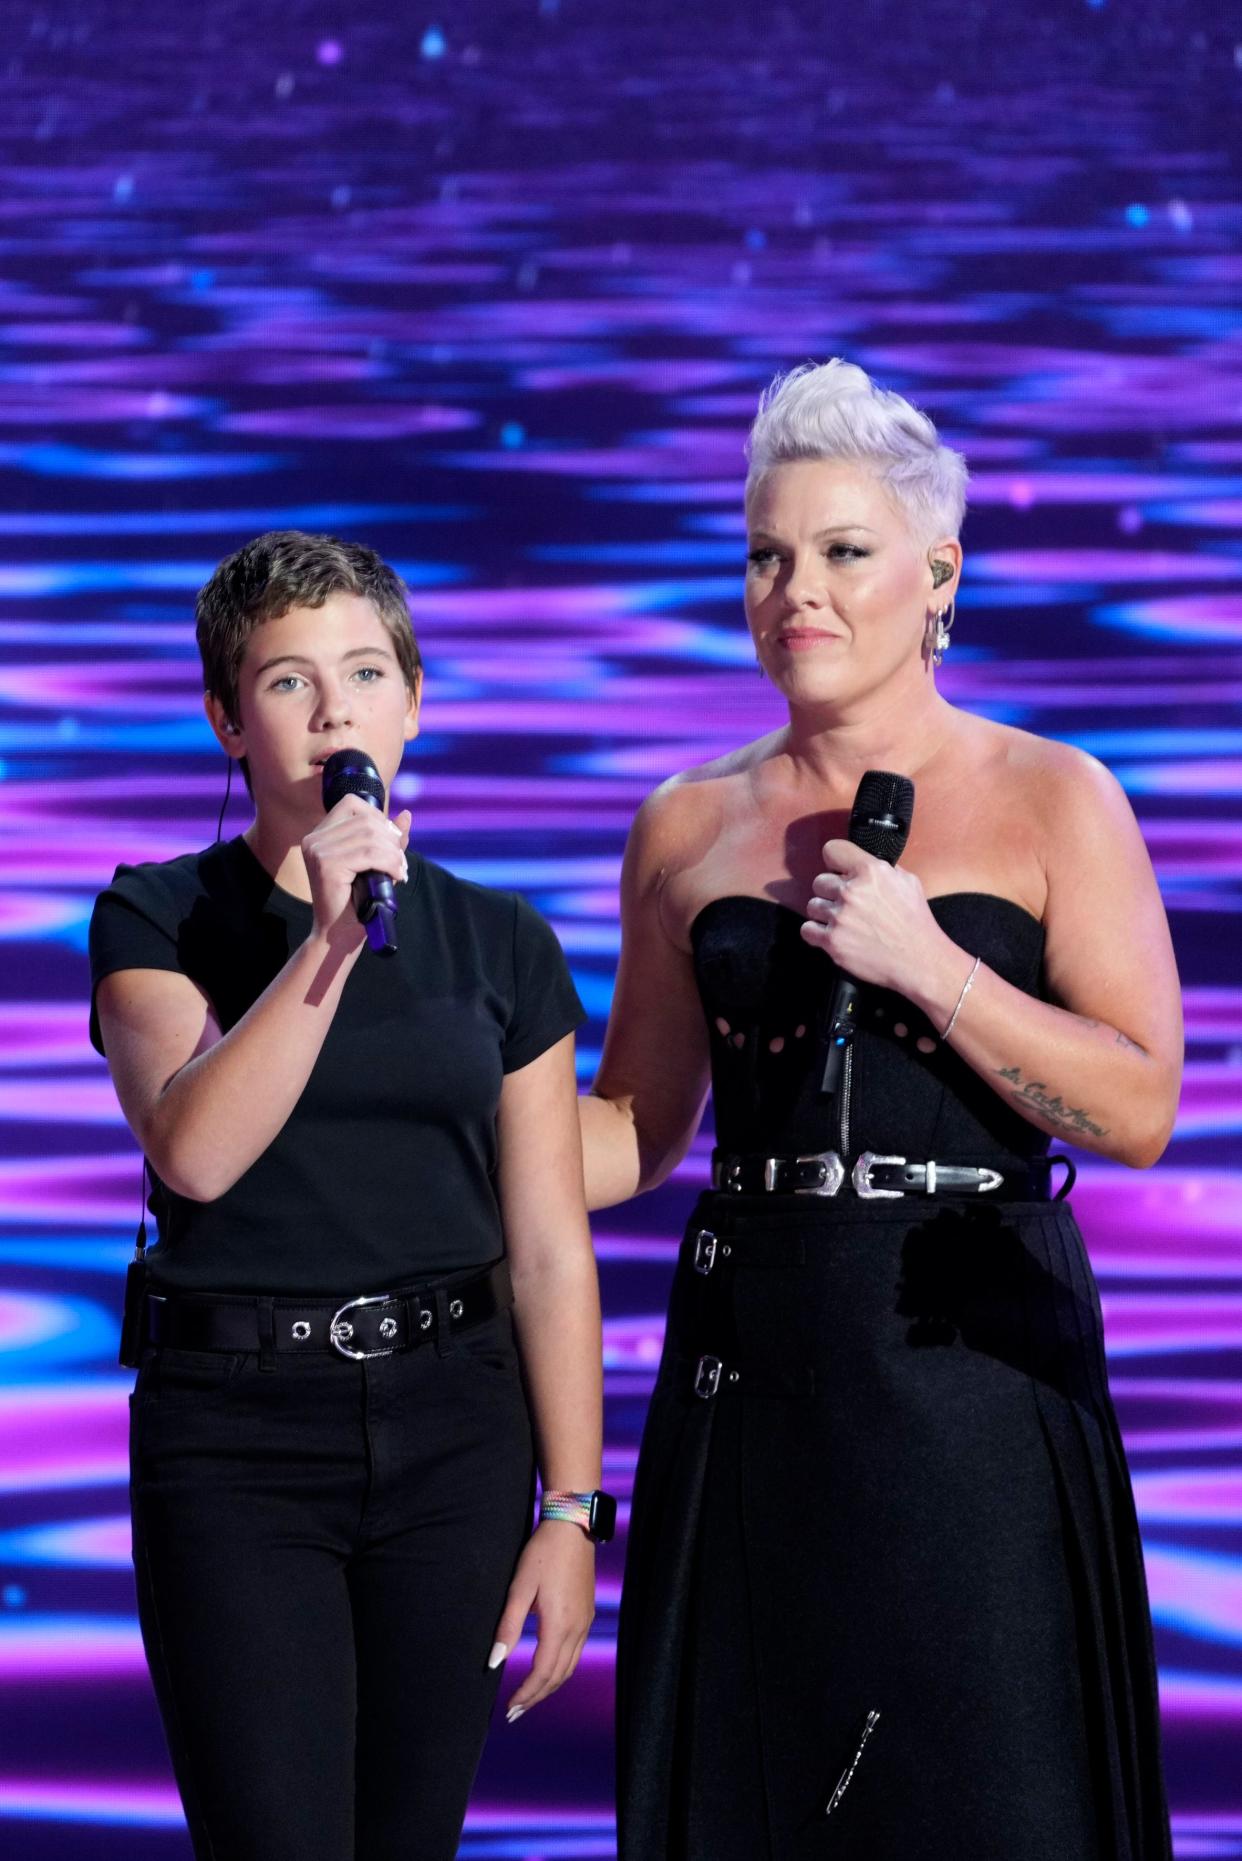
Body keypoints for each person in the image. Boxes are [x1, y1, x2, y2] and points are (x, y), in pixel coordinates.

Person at [580, 363, 1181, 1860]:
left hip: (969, 1370)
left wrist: (932, 967)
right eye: (768, 556)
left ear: (936, 574)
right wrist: (422, 1100)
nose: (799, 591)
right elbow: (631, 1133)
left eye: (843, 552)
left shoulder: (1055, 796)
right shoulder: (684, 820)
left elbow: (1139, 1110)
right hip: (755, 1366)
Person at [89, 531, 614, 1861]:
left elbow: (548, 1248)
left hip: (455, 1430)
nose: (336, 711)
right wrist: (328, 937)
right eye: (288, 680)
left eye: (367, 671)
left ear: (414, 700)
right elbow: (193, 1152)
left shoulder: (501, 939)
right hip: (239, 1445)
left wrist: (569, 1507)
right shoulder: (158, 918)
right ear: (226, 717)